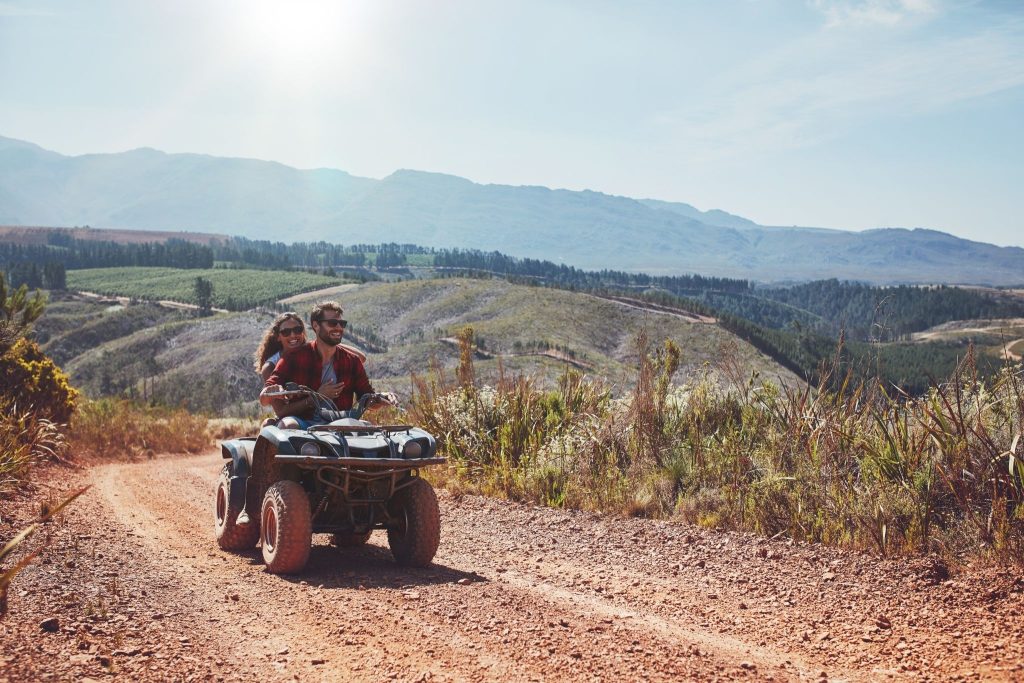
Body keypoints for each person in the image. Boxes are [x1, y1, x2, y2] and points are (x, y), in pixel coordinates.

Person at [259, 300, 381, 428]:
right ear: (316, 326)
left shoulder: (350, 360)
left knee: (372, 431)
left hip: (340, 421)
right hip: (303, 420)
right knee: (286, 425)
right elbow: (271, 402)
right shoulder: (290, 359)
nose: (293, 335)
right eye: (332, 323)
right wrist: (317, 397)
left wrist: (382, 398)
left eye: (341, 324)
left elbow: (367, 396)